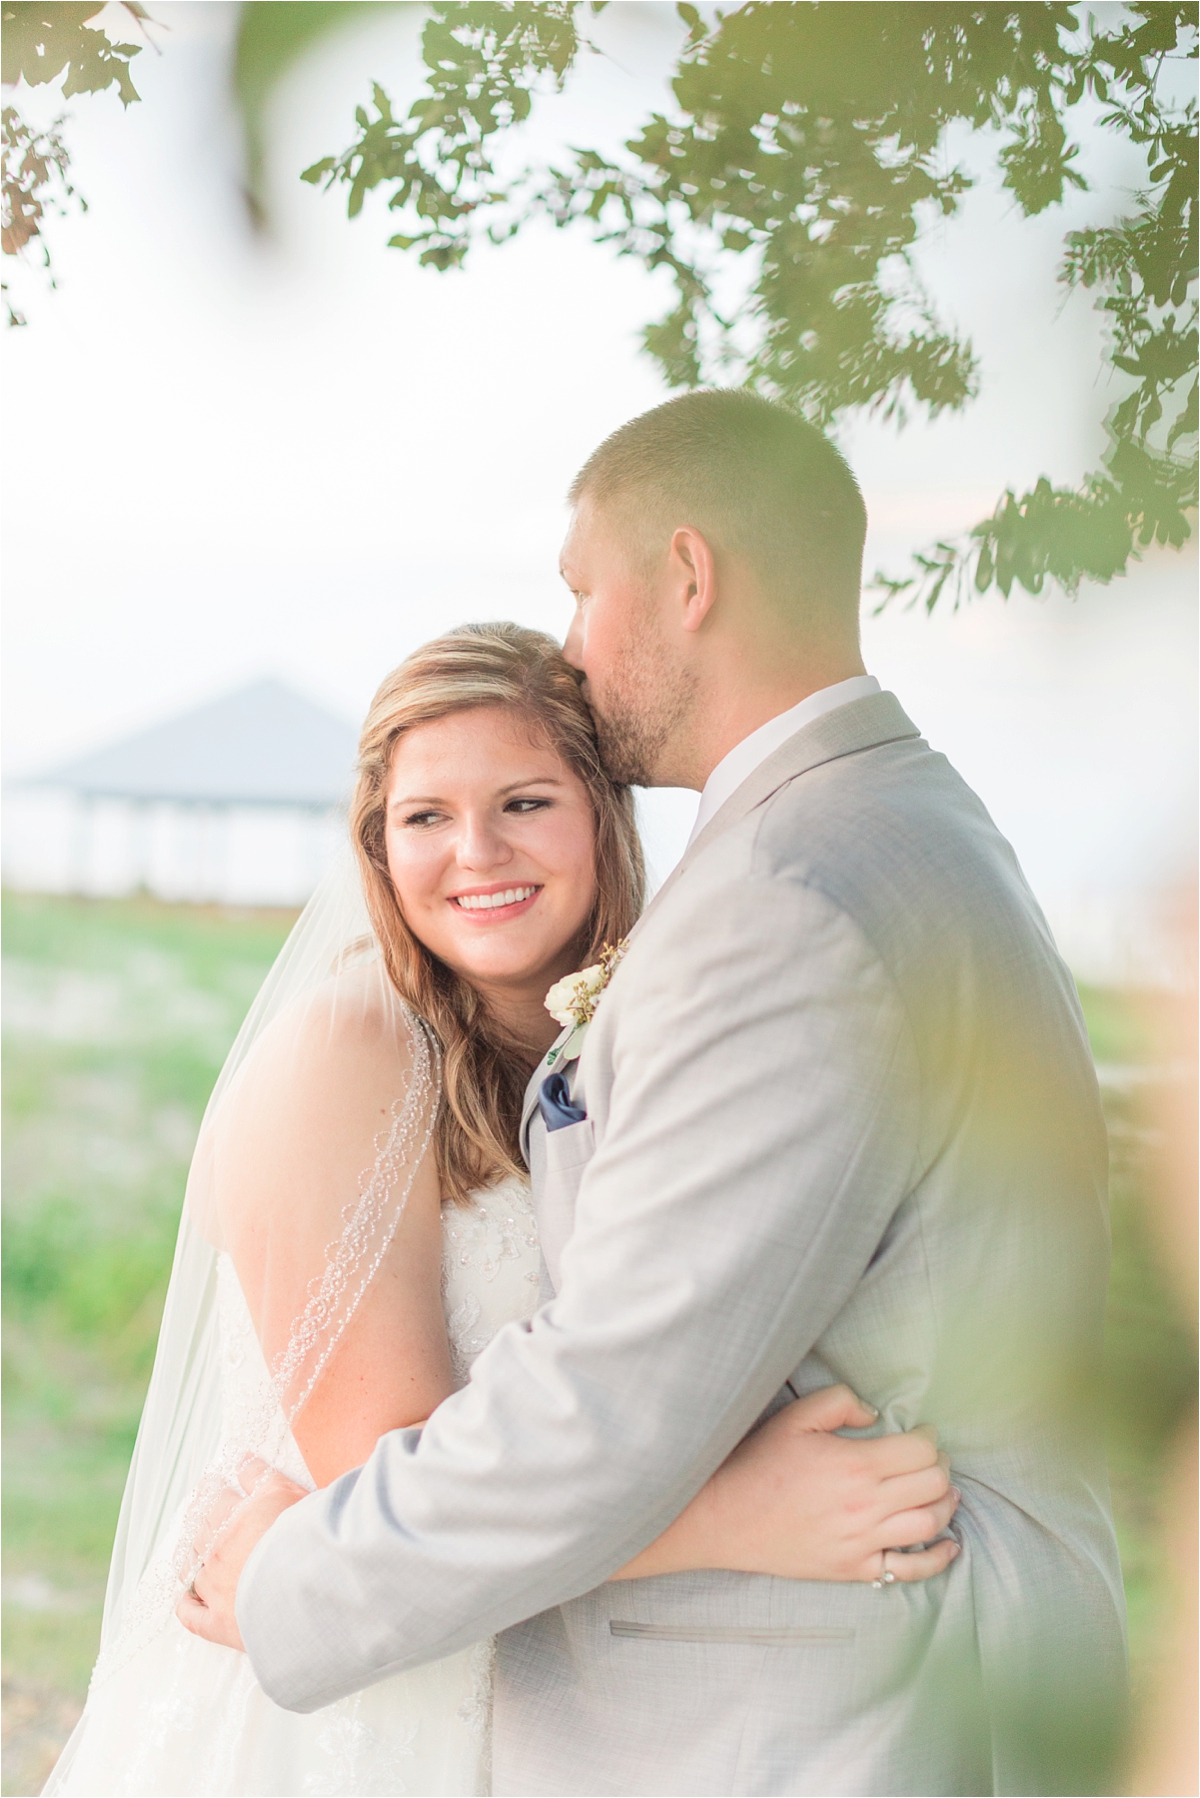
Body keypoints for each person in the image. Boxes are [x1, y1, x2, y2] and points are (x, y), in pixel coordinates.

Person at [181, 392, 1128, 1796]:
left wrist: (289, 1576)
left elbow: (614, 1392)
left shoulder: (785, 896)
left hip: (838, 1698)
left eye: (581, 592)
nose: (573, 645)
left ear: (687, 576)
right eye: (426, 814)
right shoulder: (901, 821)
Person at [45, 622, 957, 1798]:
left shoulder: (644, 1035)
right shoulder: (349, 1049)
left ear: (601, 816)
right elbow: (380, 1489)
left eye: (524, 801)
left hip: (530, 1689)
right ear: (377, 844)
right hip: (347, 1708)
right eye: (426, 816)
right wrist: (739, 1517)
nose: (475, 852)